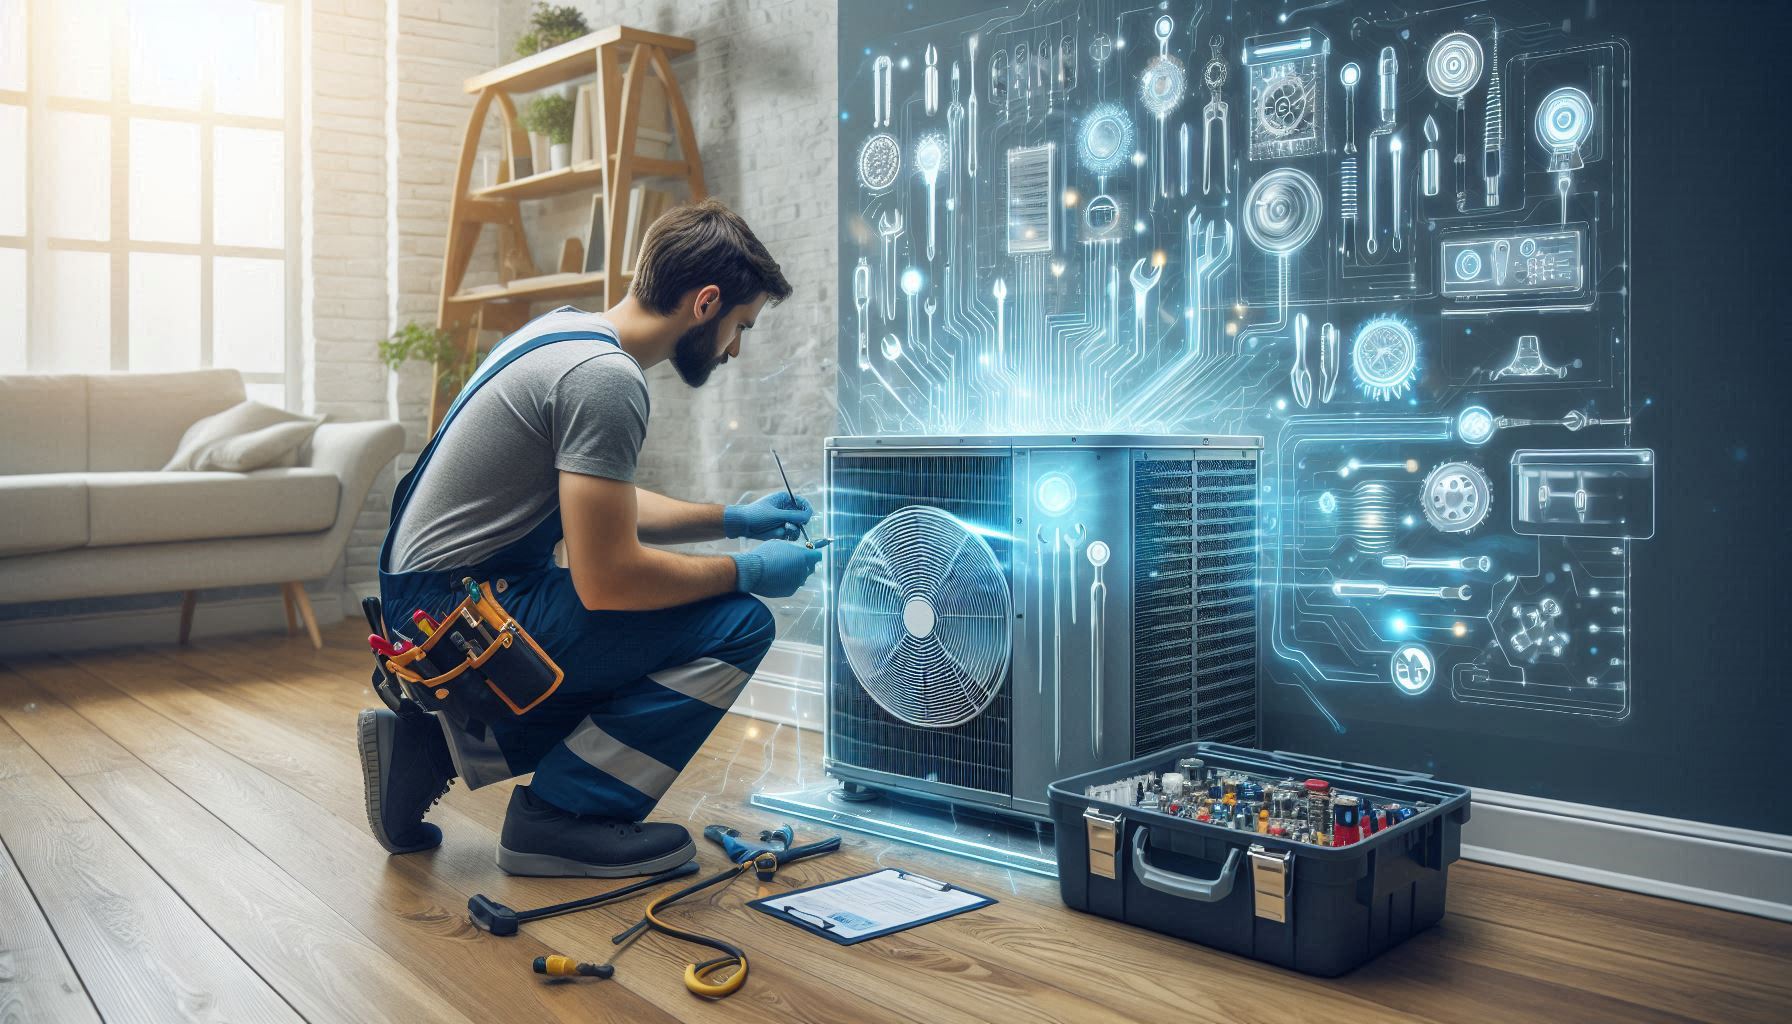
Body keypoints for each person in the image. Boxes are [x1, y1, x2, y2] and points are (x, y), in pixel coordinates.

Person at [359, 198, 820, 877]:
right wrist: (750, 571)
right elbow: (607, 581)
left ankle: (428, 747)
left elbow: (599, 502)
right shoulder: (607, 381)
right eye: (739, 326)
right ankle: (562, 818)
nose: (736, 349)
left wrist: (733, 518)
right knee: (736, 624)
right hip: (460, 616)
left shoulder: (567, 334)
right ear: (706, 302)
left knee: (655, 619)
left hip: (433, 606)